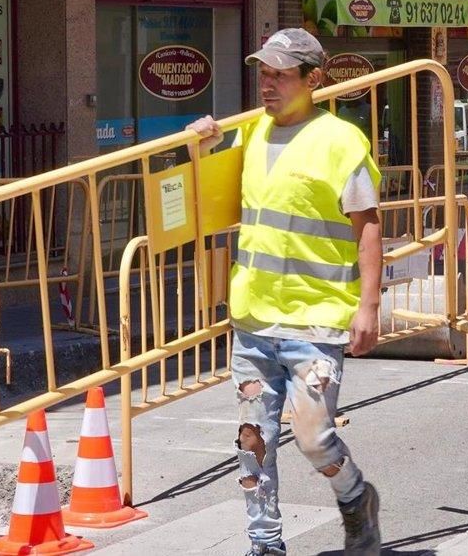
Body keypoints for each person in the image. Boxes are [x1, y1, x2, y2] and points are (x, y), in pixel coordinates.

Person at [187, 28, 383, 556]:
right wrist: (202, 145)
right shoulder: (250, 133)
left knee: (314, 439)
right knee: (252, 442)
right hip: (254, 319)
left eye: (280, 74)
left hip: (315, 322)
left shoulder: (342, 141)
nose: (267, 84)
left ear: (313, 79)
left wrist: (368, 305)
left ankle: (356, 497)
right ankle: (265, 544)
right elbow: (208, 203)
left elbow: (367, 226)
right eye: (263, 73)